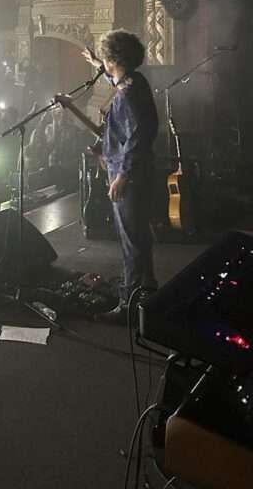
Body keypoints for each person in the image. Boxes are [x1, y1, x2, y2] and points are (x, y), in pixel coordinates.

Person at [81, 30, 159, 324]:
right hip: (135, 172)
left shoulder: (127, 96)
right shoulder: (135, 81)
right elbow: (118, 80)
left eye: (106, 57)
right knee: (138, 236)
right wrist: (99, 65)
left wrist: (122, 176)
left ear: (114, 58)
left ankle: (129, 305)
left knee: (131, 241)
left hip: (129, 175)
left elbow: (139, 135)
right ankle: (146, 292)